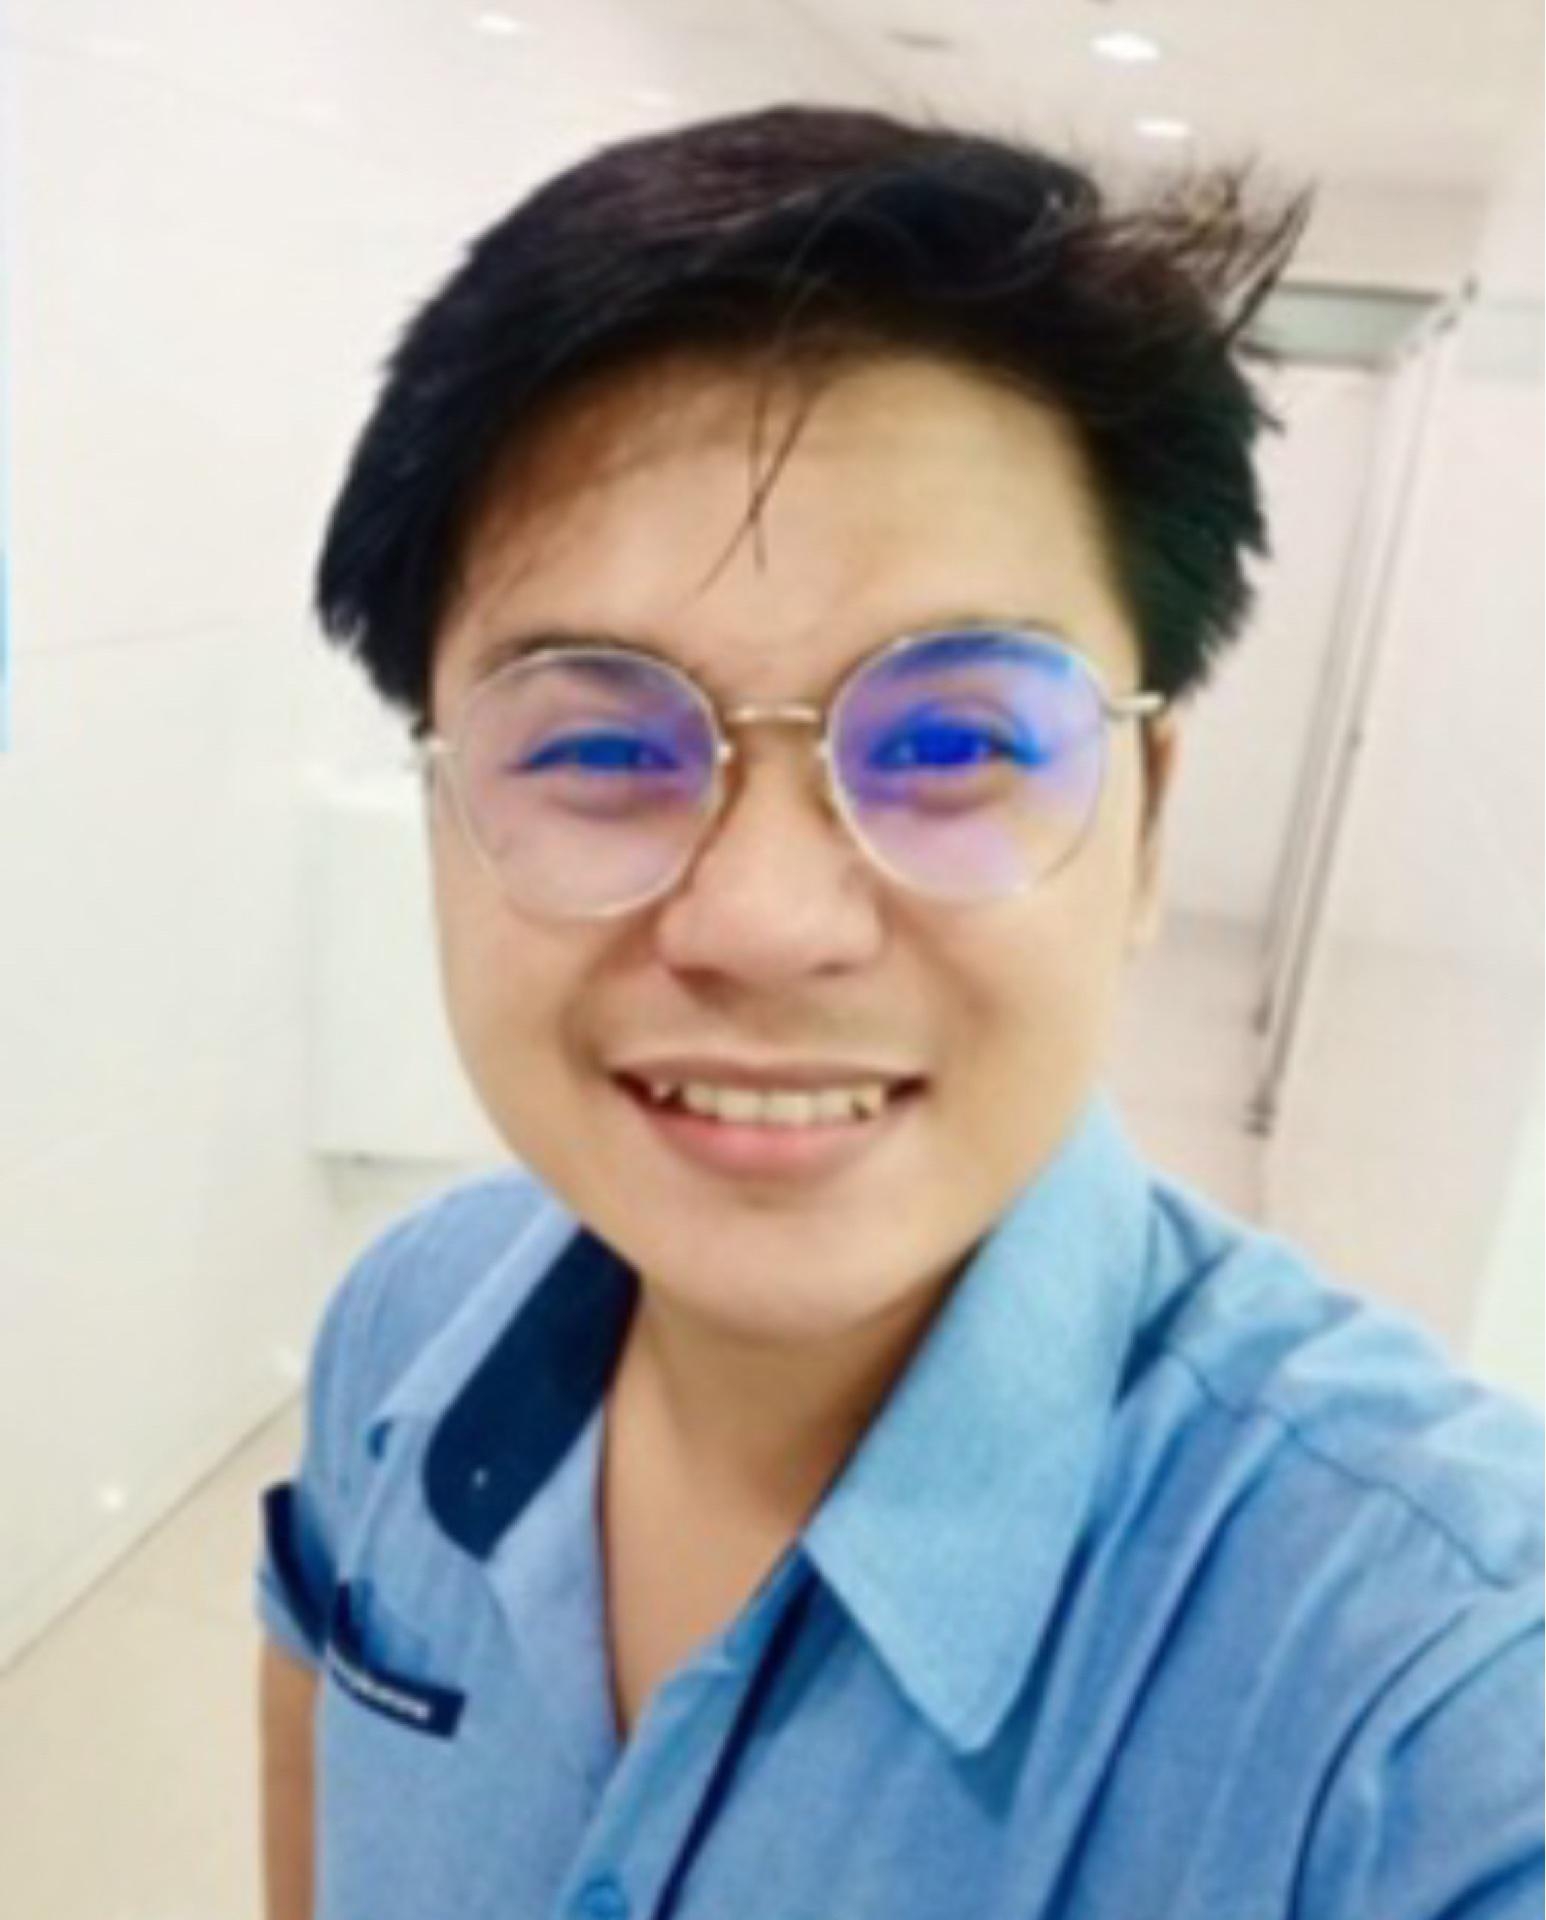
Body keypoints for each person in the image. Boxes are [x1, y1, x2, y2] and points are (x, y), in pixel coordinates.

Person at [254, 104, 1543, 1920]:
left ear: (1143, 819)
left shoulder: (1430, 1703)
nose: (766, 923)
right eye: (601, 749)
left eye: (947, 742)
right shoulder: (408, 1326)